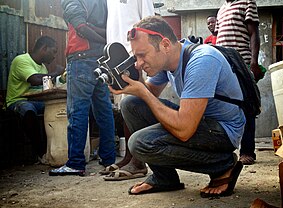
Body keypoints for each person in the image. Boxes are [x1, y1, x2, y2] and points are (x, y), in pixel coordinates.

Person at [108, 16, 245, 197]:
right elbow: (147, 96)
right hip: (201, 123)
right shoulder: (169, 59)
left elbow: (185, 130)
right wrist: (128, 80)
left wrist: (143, 92)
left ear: (164, 45)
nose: (138, 63)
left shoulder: (202, 60)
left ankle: (223, 165)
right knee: (131, 104)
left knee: (140, 144)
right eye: (135, 56)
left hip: (223, 131)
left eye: (142, 55)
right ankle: (164, 177)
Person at [49, 0, 115, 176]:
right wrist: (106, 42)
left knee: (77, 111)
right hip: (101, 60)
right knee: (104, 110)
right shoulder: (104, 2)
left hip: (81, 59)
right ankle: (109, 159)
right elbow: (109, 27)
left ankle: (76, 163)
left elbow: (81, 28)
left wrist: (102, 40)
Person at [100, 0, 154, 180]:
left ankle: (138, 161)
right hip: (114, 57)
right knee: (123, 108)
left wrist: (138, 56)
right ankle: (129, 156)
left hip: (132, 57)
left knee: (133, 104)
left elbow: (148, 21)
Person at [215, 0, 263, 165]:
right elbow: (219, 37)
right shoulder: (221, 9)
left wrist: (254, 62)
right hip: (222, 64)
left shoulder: (247, 2)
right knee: (223, 105)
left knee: (248, 106)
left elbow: (254, 33)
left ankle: (247, 151)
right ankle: (224, 151)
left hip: (241, 63)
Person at [5, 35, 63, 162]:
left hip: (36, 101)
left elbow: (44, 84)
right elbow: (35, 80)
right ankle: (41, 153)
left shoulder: (42, 67)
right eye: (53, 51)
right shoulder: (21, 60)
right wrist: (55, 73)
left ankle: (58, 148)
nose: (54, 56)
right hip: (17, 101)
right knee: (28, 110)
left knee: (57, 108)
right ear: (44, 48)